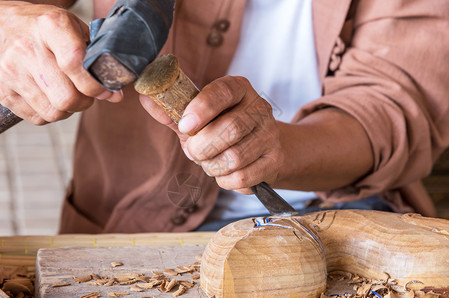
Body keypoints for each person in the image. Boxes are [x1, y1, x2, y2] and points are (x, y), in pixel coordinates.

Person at [1, 0, 448, 233]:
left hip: (331, 211)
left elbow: (394, 106)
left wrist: (279, 149)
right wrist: (10, 25)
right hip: (131, 219)